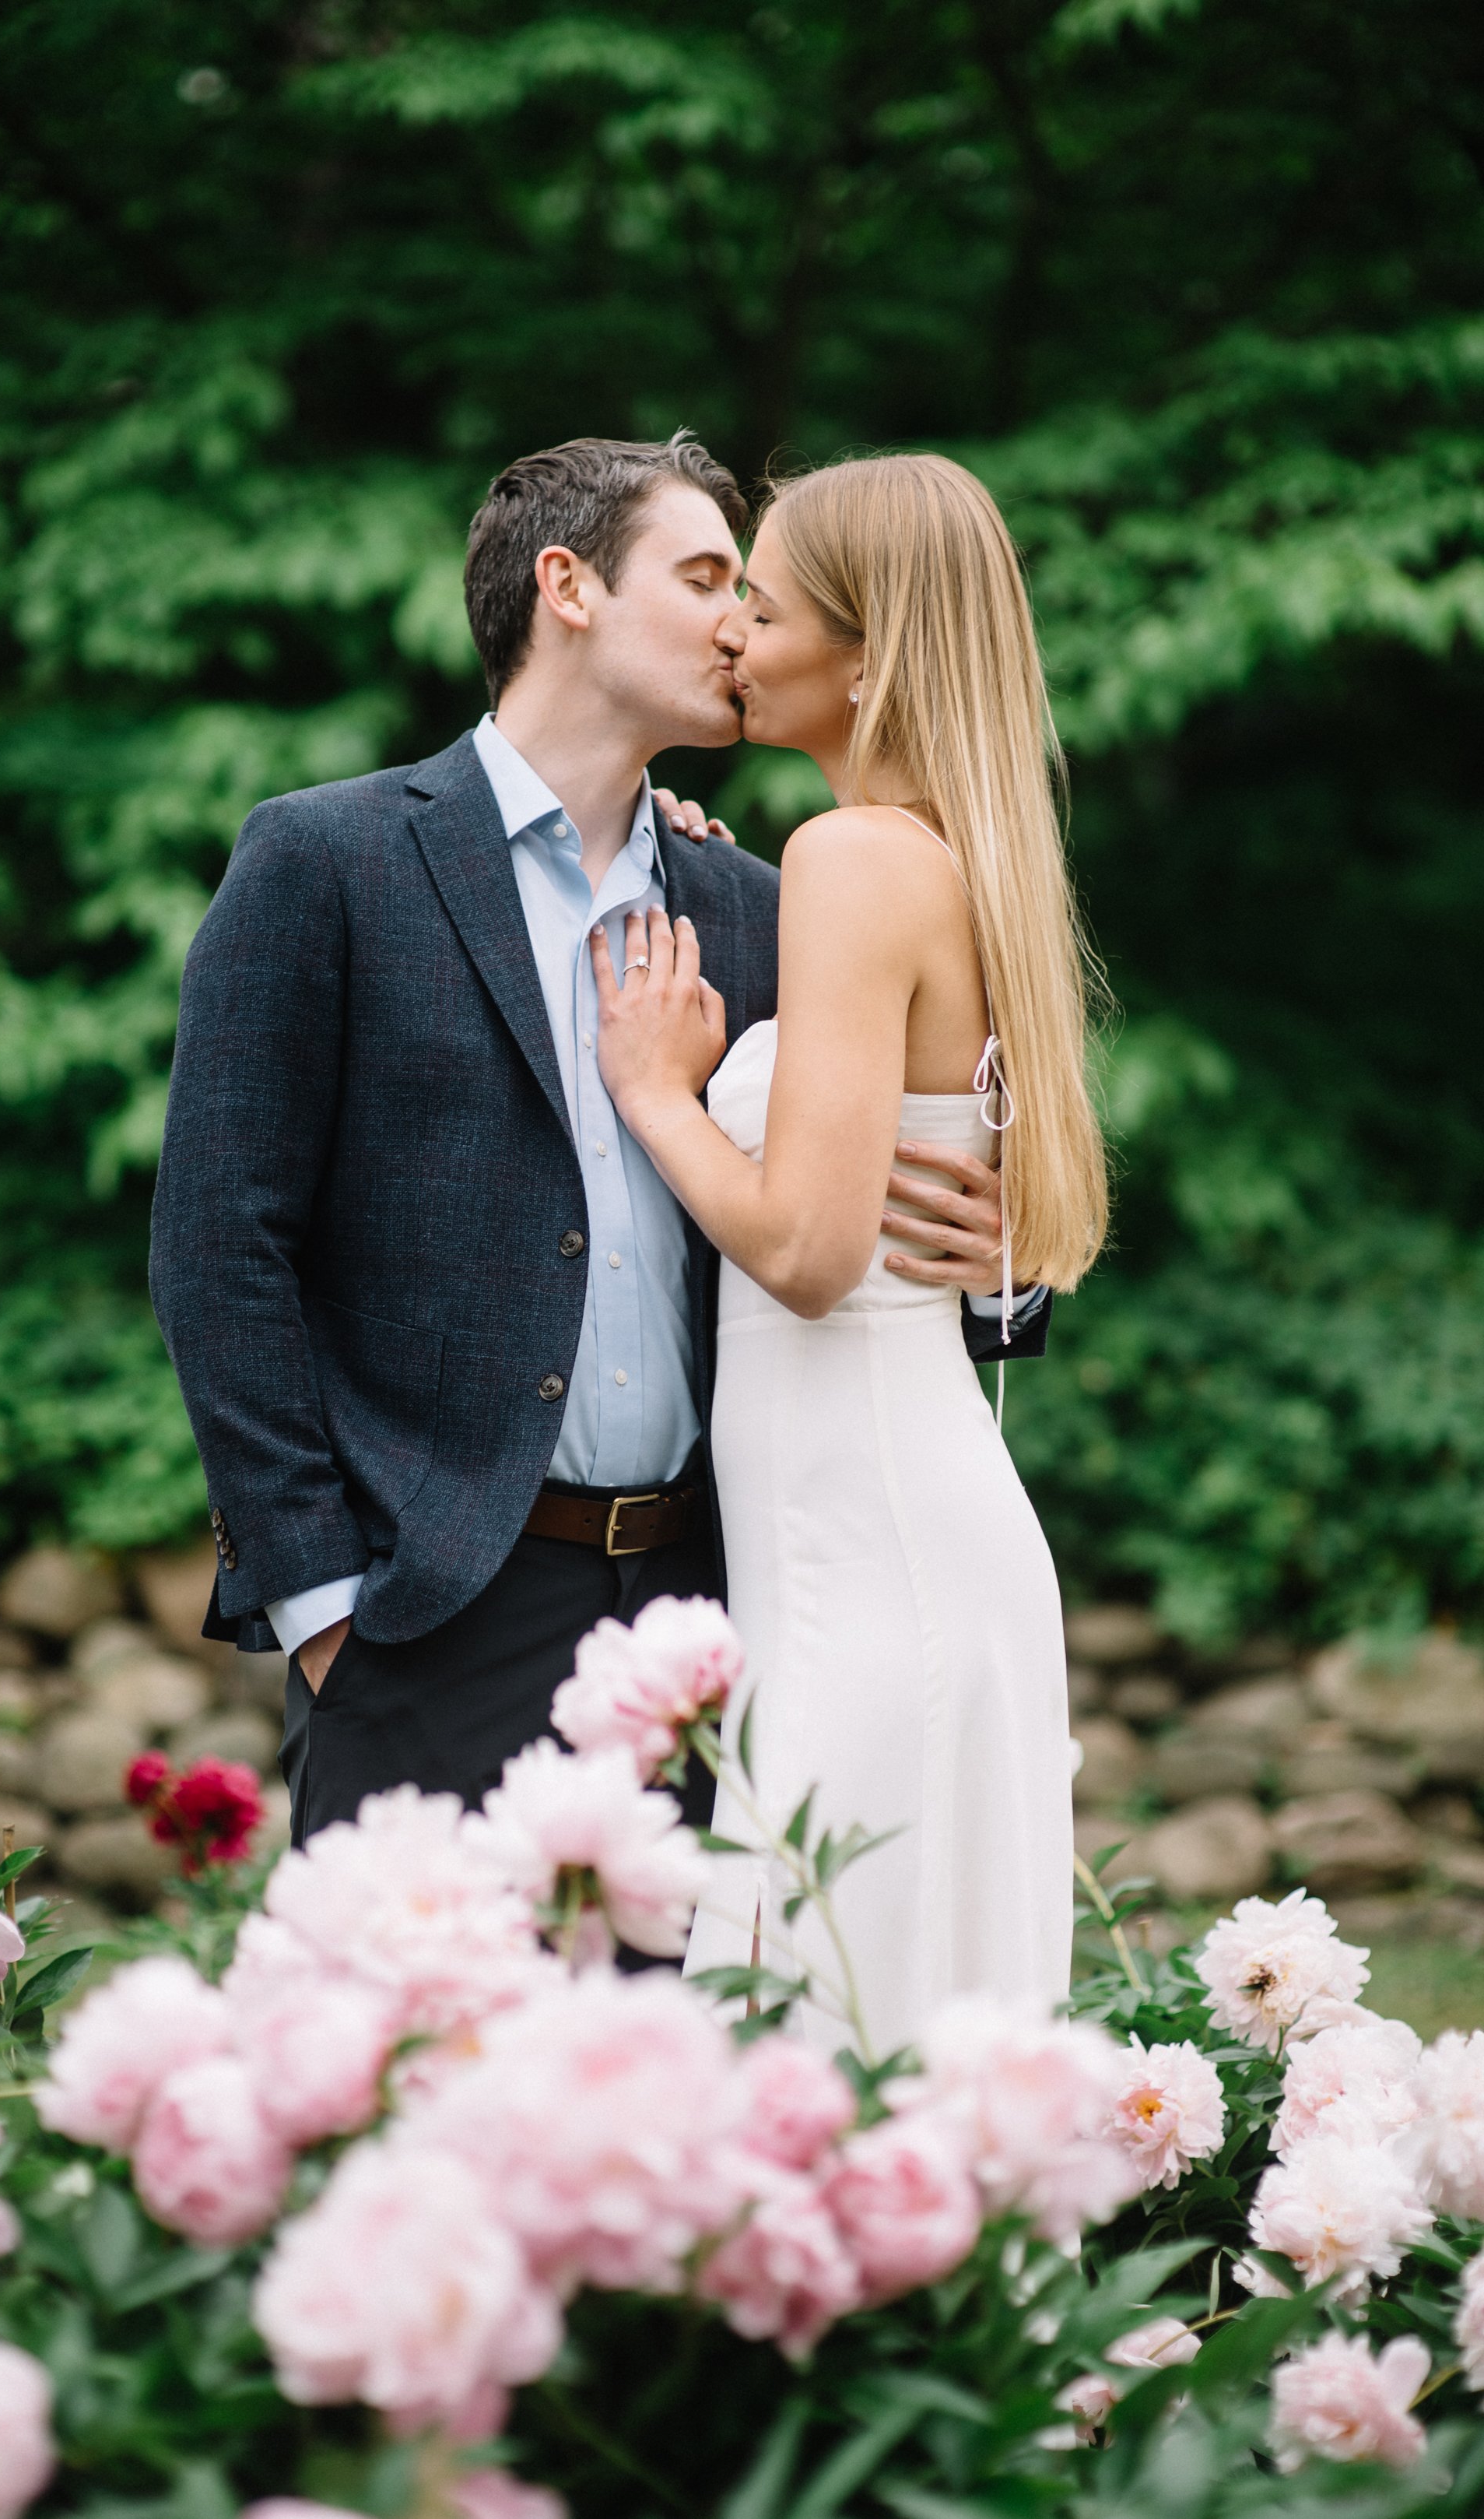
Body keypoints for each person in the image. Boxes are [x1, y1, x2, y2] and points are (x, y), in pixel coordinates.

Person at [149, 433, 1047, 1850]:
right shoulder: (323, 862)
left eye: (753, 590)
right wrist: (323, 1608)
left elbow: (858, 1206)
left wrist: (1001, 1266)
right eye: (704, 578)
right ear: (567, 586)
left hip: (724, 1623)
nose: (741, 621)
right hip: (431, 1616)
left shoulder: (761, 900)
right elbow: (219, 1251)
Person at [594, 453, 1105, 2052]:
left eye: (762, 597)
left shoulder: (858, 858)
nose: (733, 628)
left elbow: (809, 1253)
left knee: (827, 2034)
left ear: (869, 652)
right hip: (893, 1537)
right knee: (897, 2042)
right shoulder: (930, 853)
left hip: (869, 1570)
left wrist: (660, 1095)